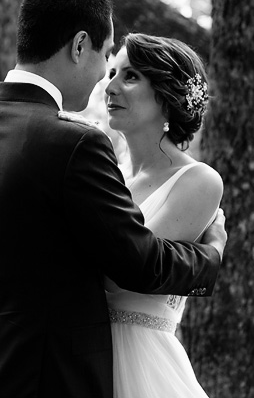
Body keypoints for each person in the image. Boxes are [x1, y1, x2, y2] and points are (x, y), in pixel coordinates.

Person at [0, 0, 227, 398]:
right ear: (78, 46)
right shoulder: (74, 143)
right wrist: (212, 255)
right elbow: (137, 262)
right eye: (105, 57)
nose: (104, 79)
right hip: (45, 378)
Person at [103, 33, 223, 398]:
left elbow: (122, 274)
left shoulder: (198, 181)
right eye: (111, 72)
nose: (110, 87)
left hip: (143, 364)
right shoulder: (108, 174)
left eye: (130, 76)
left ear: (167, 98)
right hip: (84, 357)